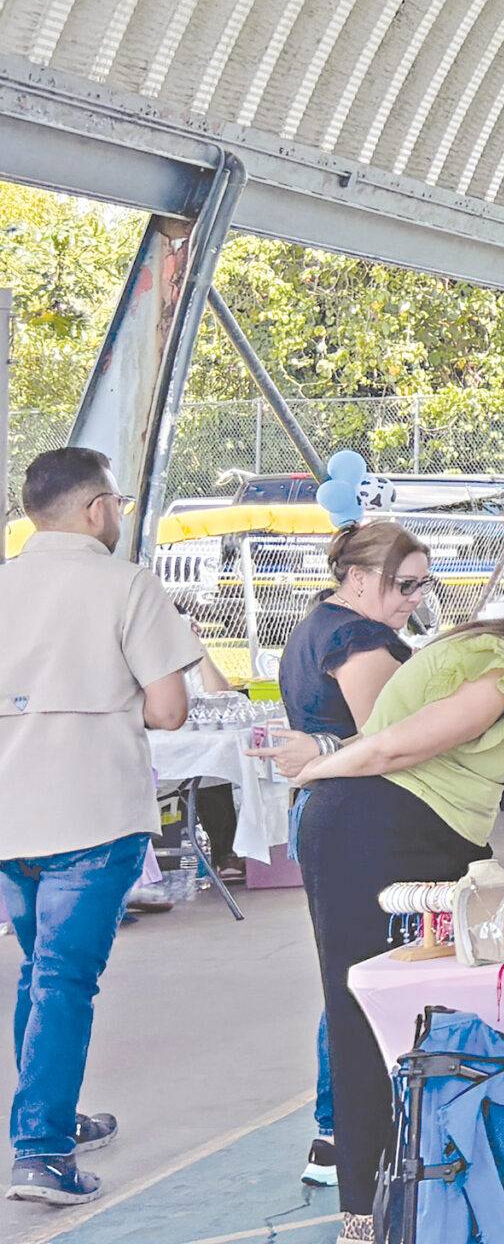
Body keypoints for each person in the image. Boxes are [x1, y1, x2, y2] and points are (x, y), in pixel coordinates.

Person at [275, 574, 504, 1238]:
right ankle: (364, 1207)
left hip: (420, 835)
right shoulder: (500, 668)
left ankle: (424, 1175)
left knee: (431, 1005)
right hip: (375, 830)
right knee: (365, 1011)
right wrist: (313, 773)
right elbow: (394, 745)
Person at [0, 449, 201, 1207]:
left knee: (38, 971)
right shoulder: (126, 584)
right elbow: (169, 709)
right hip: (90, 811)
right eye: (115, 503)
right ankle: (42, 1151)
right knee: (63, 980)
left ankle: (47, 1114)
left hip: (9, 817)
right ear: (96, 509)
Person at [276, 519, 431, 1191]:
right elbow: (388, 739)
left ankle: (338, 1125)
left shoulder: (321, 626)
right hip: (361, 819)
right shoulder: (357, 639)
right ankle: (345, 1127)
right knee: (364, 973)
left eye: (423, 585)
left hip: (336, 815)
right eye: (404, 585)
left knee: (352, 970)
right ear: (361, 579)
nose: (414, 599)